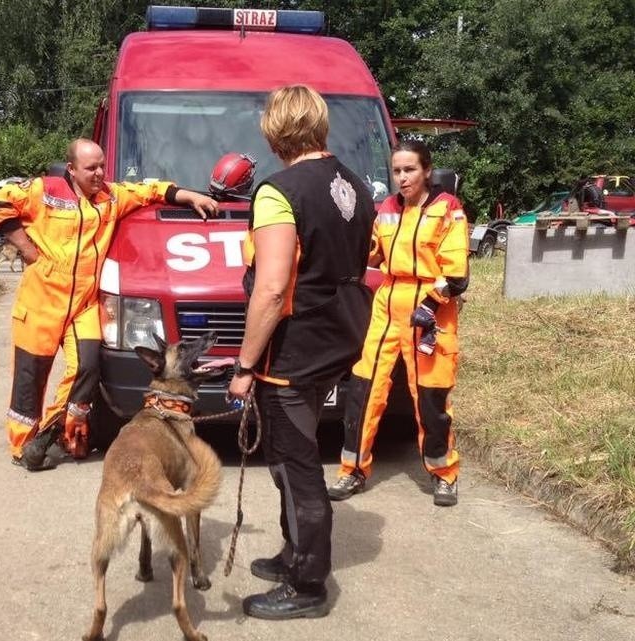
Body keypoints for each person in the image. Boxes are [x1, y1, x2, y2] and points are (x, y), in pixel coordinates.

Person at [228, 85, 375, 619]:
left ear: (275, 129)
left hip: (292, 352)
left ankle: (307, 585)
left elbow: (270, 290)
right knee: (296, 459)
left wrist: (245, 366)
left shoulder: (277, 191)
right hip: (336, 340)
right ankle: (294, 553)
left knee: (296, 467)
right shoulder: (356, 185)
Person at [0, 138, 218, 471]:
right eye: (90, 168)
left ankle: (61, 434)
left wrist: (190, 195)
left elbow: (152, 192)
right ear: (71, 169)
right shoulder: (44, 191)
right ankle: (24, 446)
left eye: (101, 166)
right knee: (29, 377)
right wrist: (26, 248)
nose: (98, 173)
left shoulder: (111, 196)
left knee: (87, 368)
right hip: (40, 303)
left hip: (83, 305)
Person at [327, 139, 469, 506]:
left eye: (409, 170)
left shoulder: (448, 210)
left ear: (426, 171)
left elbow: (456, 277)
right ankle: (352, 470)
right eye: (397, 171)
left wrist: (429, 305)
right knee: (363, 390)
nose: (402, 178)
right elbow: (371, 253)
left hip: (430, 311)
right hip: (387, 305)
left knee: (430, 397)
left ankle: (444, 474)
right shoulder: (387, 209)